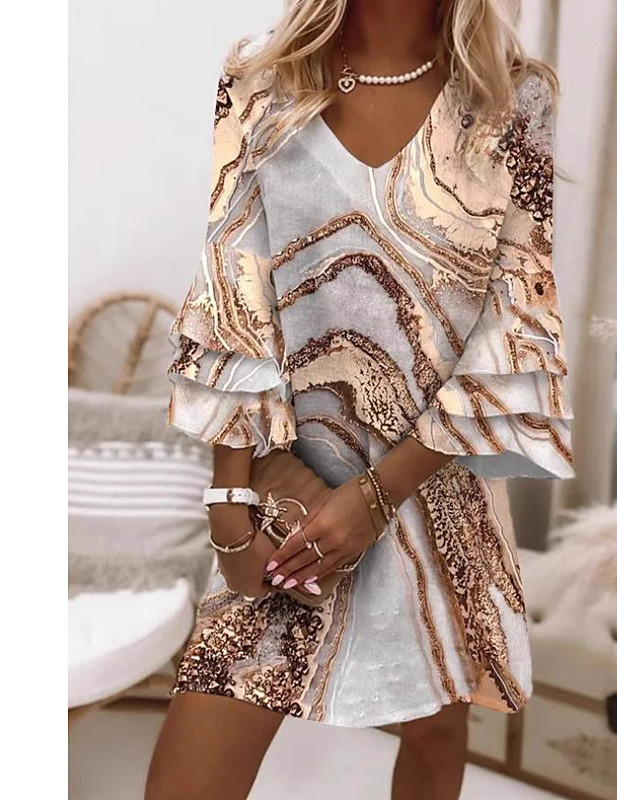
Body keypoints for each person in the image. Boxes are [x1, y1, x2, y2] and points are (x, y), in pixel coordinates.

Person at [146, 1, 574, 798]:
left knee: (436, 733)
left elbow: (515, 324)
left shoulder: (514, 100)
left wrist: (379, 496)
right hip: (288, 493)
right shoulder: (258, 80)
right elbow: (230, 293)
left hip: (437, 484)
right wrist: (230, 501)